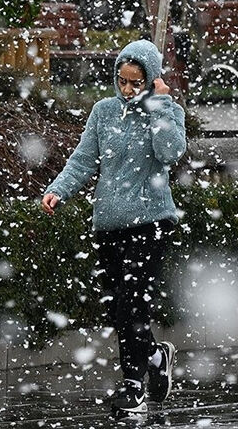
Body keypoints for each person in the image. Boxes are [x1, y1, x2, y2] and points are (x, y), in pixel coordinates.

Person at [41, 39, 187, 417]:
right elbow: (83, 160)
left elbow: (170, 152)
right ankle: (154, 355)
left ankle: (133, 388)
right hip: (108, 225)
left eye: (136, 82)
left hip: (151, 222)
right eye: (122, 80)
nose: (127, 89)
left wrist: (159, 104)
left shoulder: (167, 110)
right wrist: (59, 190)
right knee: (116, 308)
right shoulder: (104, 111)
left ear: (151, 80)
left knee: (132, 306)